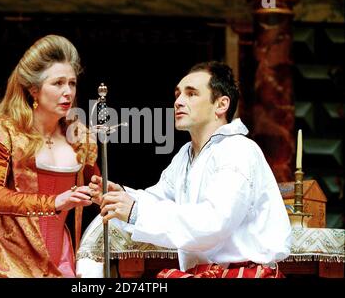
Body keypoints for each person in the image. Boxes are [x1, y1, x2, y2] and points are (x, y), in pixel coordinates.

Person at [83, 61, 291, 278]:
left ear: (221, 105)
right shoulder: (186, 155)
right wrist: (120, 196)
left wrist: (135, 211)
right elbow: (159, 198)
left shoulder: (237, 149)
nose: (179, 101)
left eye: (191, 94)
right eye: (178, 94)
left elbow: (213, 222)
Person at [0, 34, 99, 278]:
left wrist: (104, 192)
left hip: (60, 257)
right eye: (58, 83)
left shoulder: (80, 139)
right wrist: (54, 202)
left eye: (72, 83)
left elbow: (95, 186)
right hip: (4, 257)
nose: (68, 93)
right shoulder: (2, 133)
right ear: (34, 89)